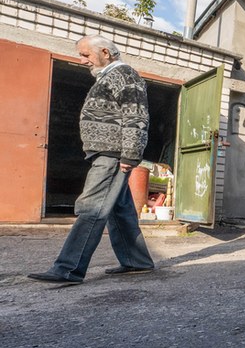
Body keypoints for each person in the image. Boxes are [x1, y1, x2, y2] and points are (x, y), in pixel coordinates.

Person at [28, 35, 155, 285]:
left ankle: (68, 268)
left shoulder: (124, 74)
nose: (82, 60)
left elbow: (137, 116)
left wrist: (131, 154)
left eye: (85, 55)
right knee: (119, 210)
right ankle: (137, 261)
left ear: (105, 52)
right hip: (109, 153)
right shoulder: (109, 76)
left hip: (113, 155)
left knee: (92, 208)